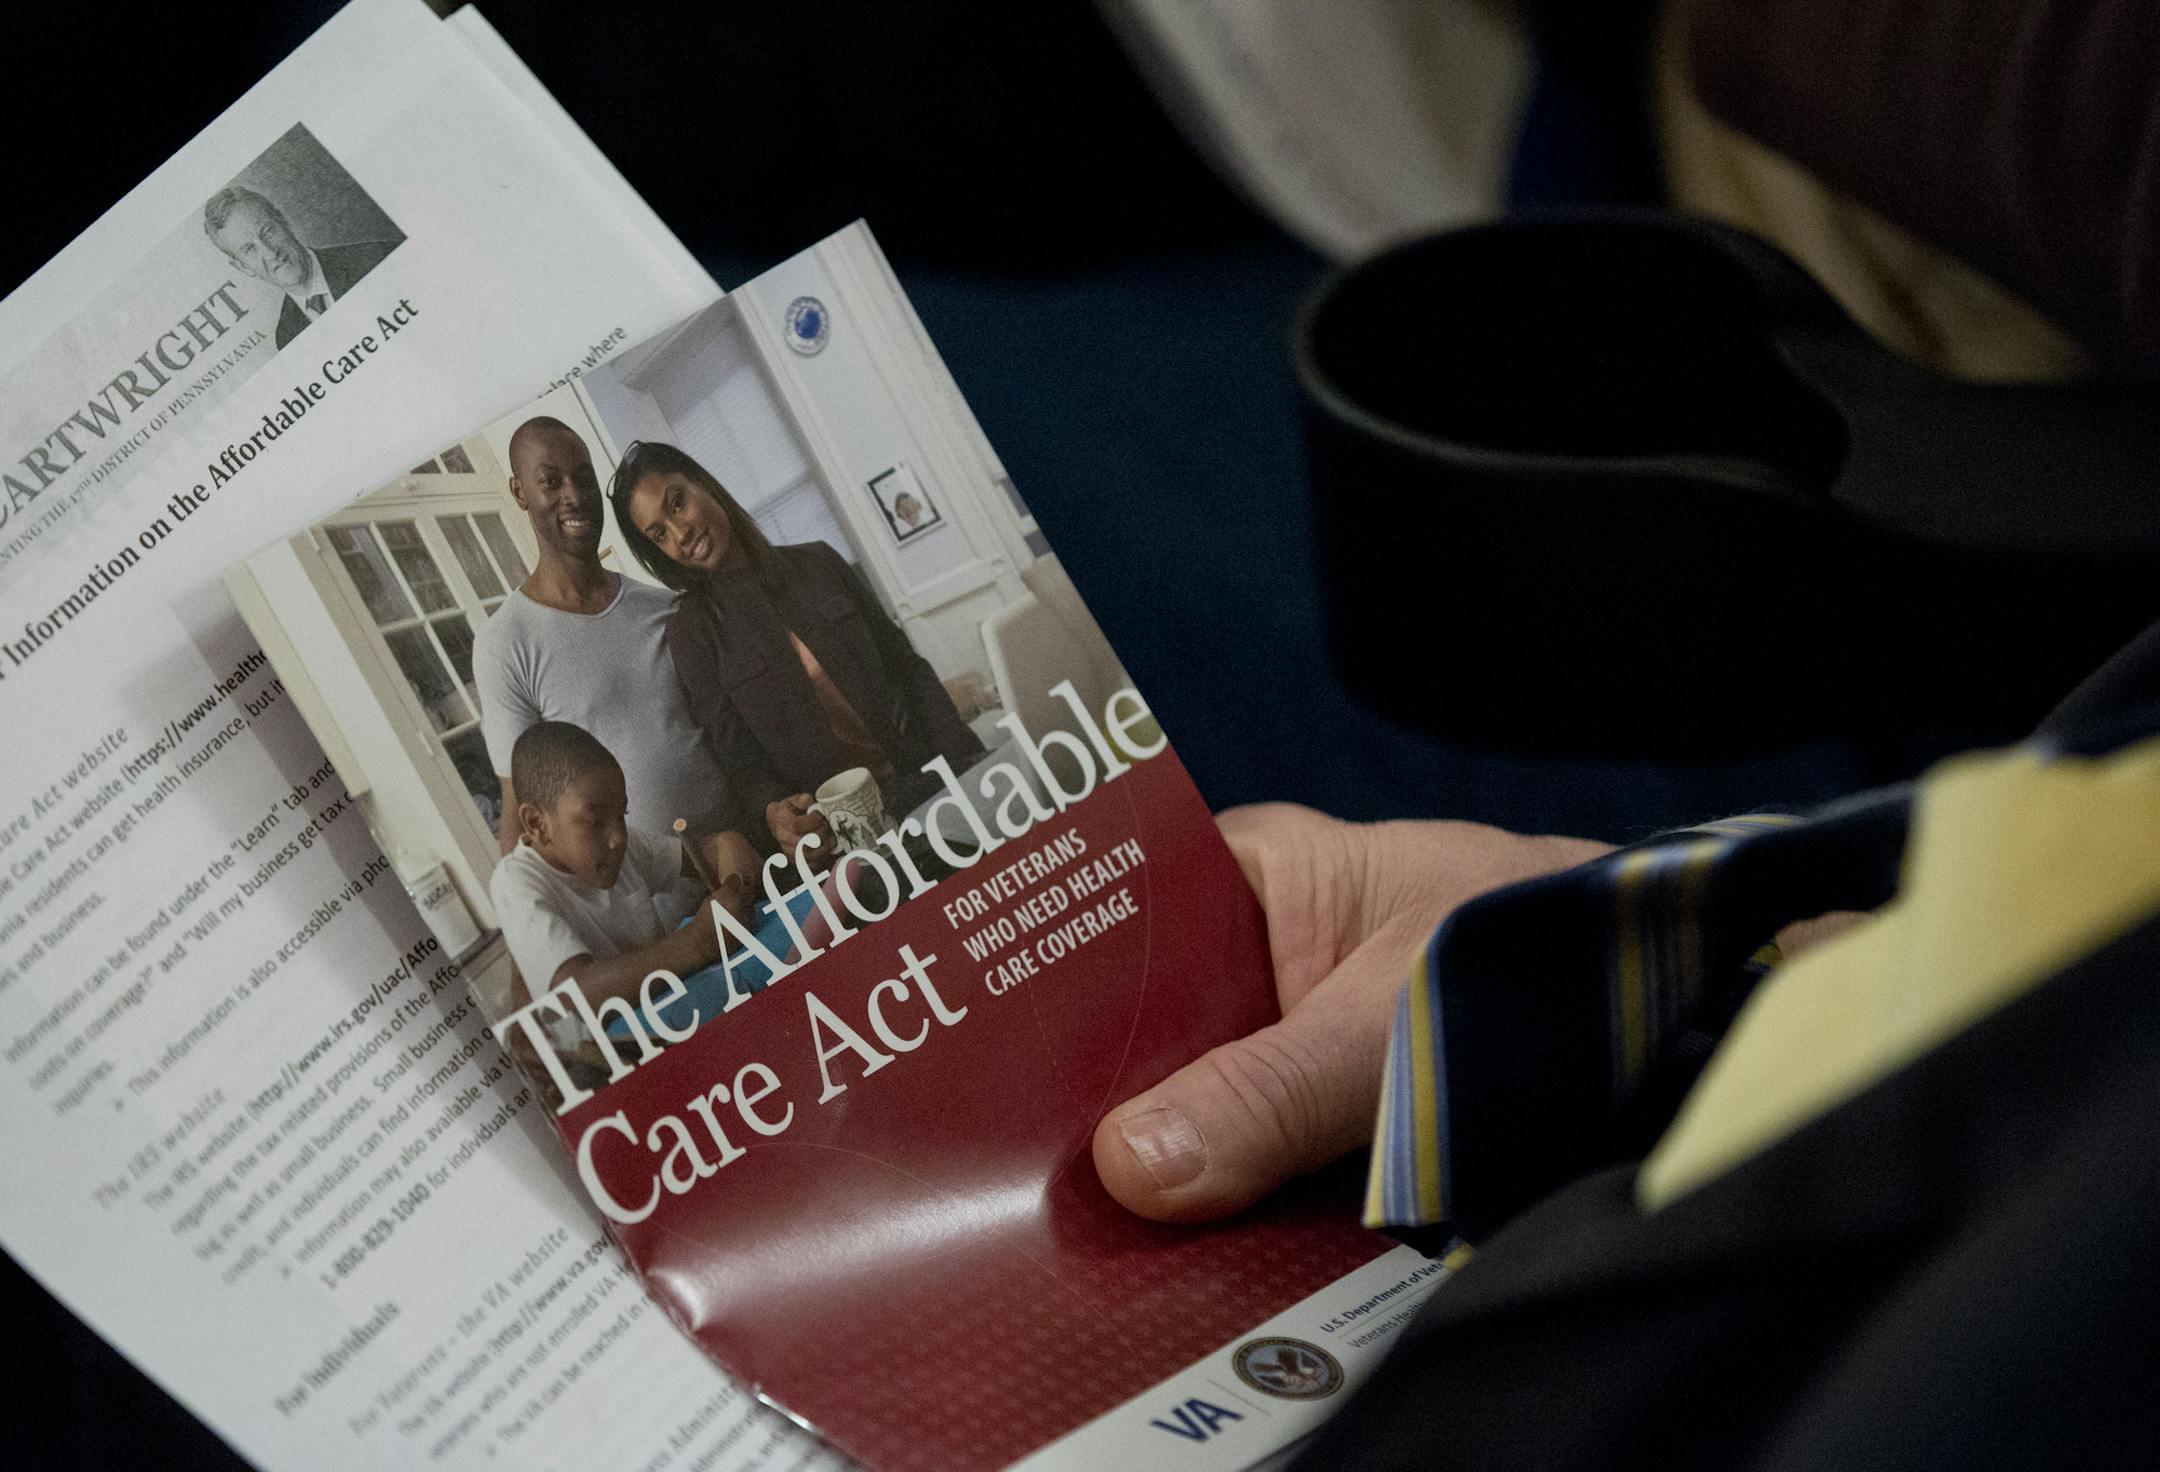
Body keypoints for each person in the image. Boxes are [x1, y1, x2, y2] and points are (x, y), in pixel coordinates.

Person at [606, 439, 985, 855]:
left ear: (703, 485)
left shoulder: (820, 564)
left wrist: (969, 761)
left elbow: (908, 669)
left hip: (934, 781)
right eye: (659, 534)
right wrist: (774, 812)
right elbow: (741, 763)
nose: (680, 534)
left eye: (677, 504)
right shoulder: (692, 634)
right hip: (847, 837)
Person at [472, 417, 746, 852]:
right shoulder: (505, 645)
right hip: (648, 896)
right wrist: (521, 905)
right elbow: (520, 808)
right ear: (520, 493)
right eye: (551, 482)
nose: (574, 496)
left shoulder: (663, 606)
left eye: (583, 477)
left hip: (745, 852)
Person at [489, 721, 756, 1026]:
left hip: (673, 1023)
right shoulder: (516, 882)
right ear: (537, 823)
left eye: (622, 815)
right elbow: (572, 995)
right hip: (613, 1058)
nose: (618, 837)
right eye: (595, 822)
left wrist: (732, 858)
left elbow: (716, 851)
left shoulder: (623, 846)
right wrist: (696, 942)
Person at [200, 185, 398, 349]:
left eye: (268, 232)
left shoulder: (377, 257)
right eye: (250, 249)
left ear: (283, 221)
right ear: (242, 267)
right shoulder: (287, 339)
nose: (270, 253)